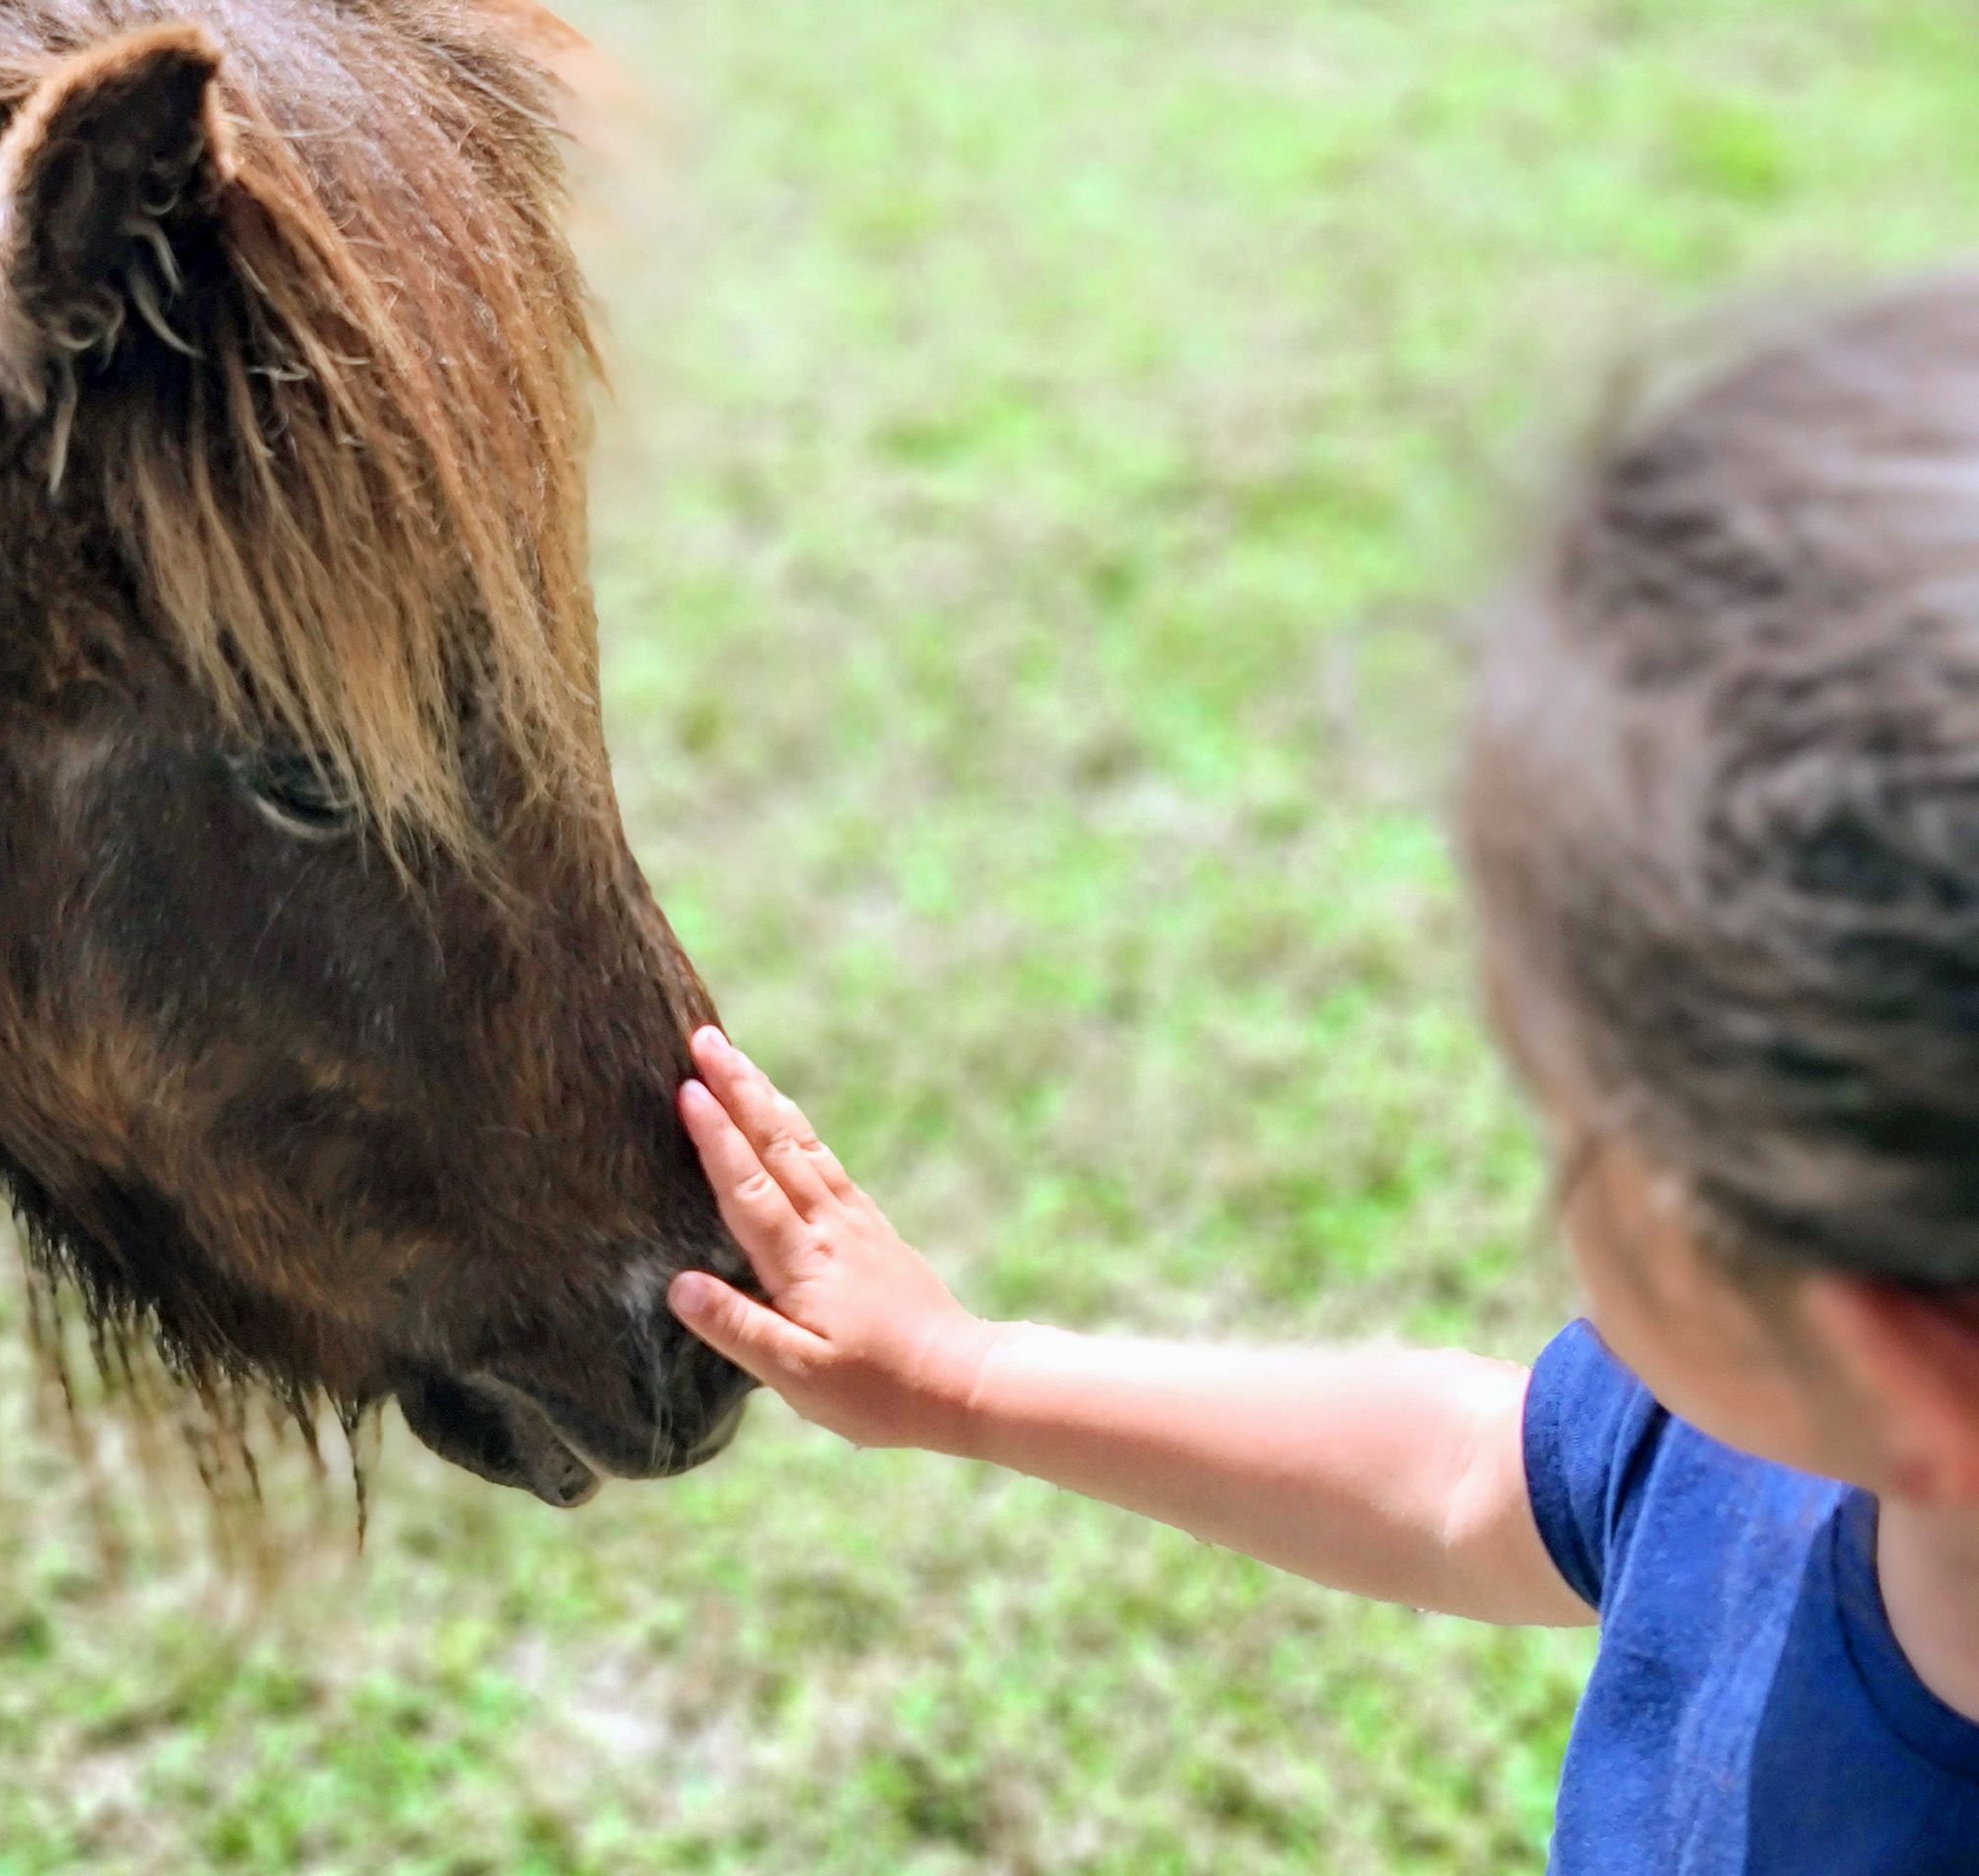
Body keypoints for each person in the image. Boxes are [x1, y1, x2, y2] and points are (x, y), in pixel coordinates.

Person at [667, 278, 1979, 1871]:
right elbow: (1466, 1477)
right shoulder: (1763, 1422)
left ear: (1869, 1341)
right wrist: (966, 1378)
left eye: (1574, 1131)